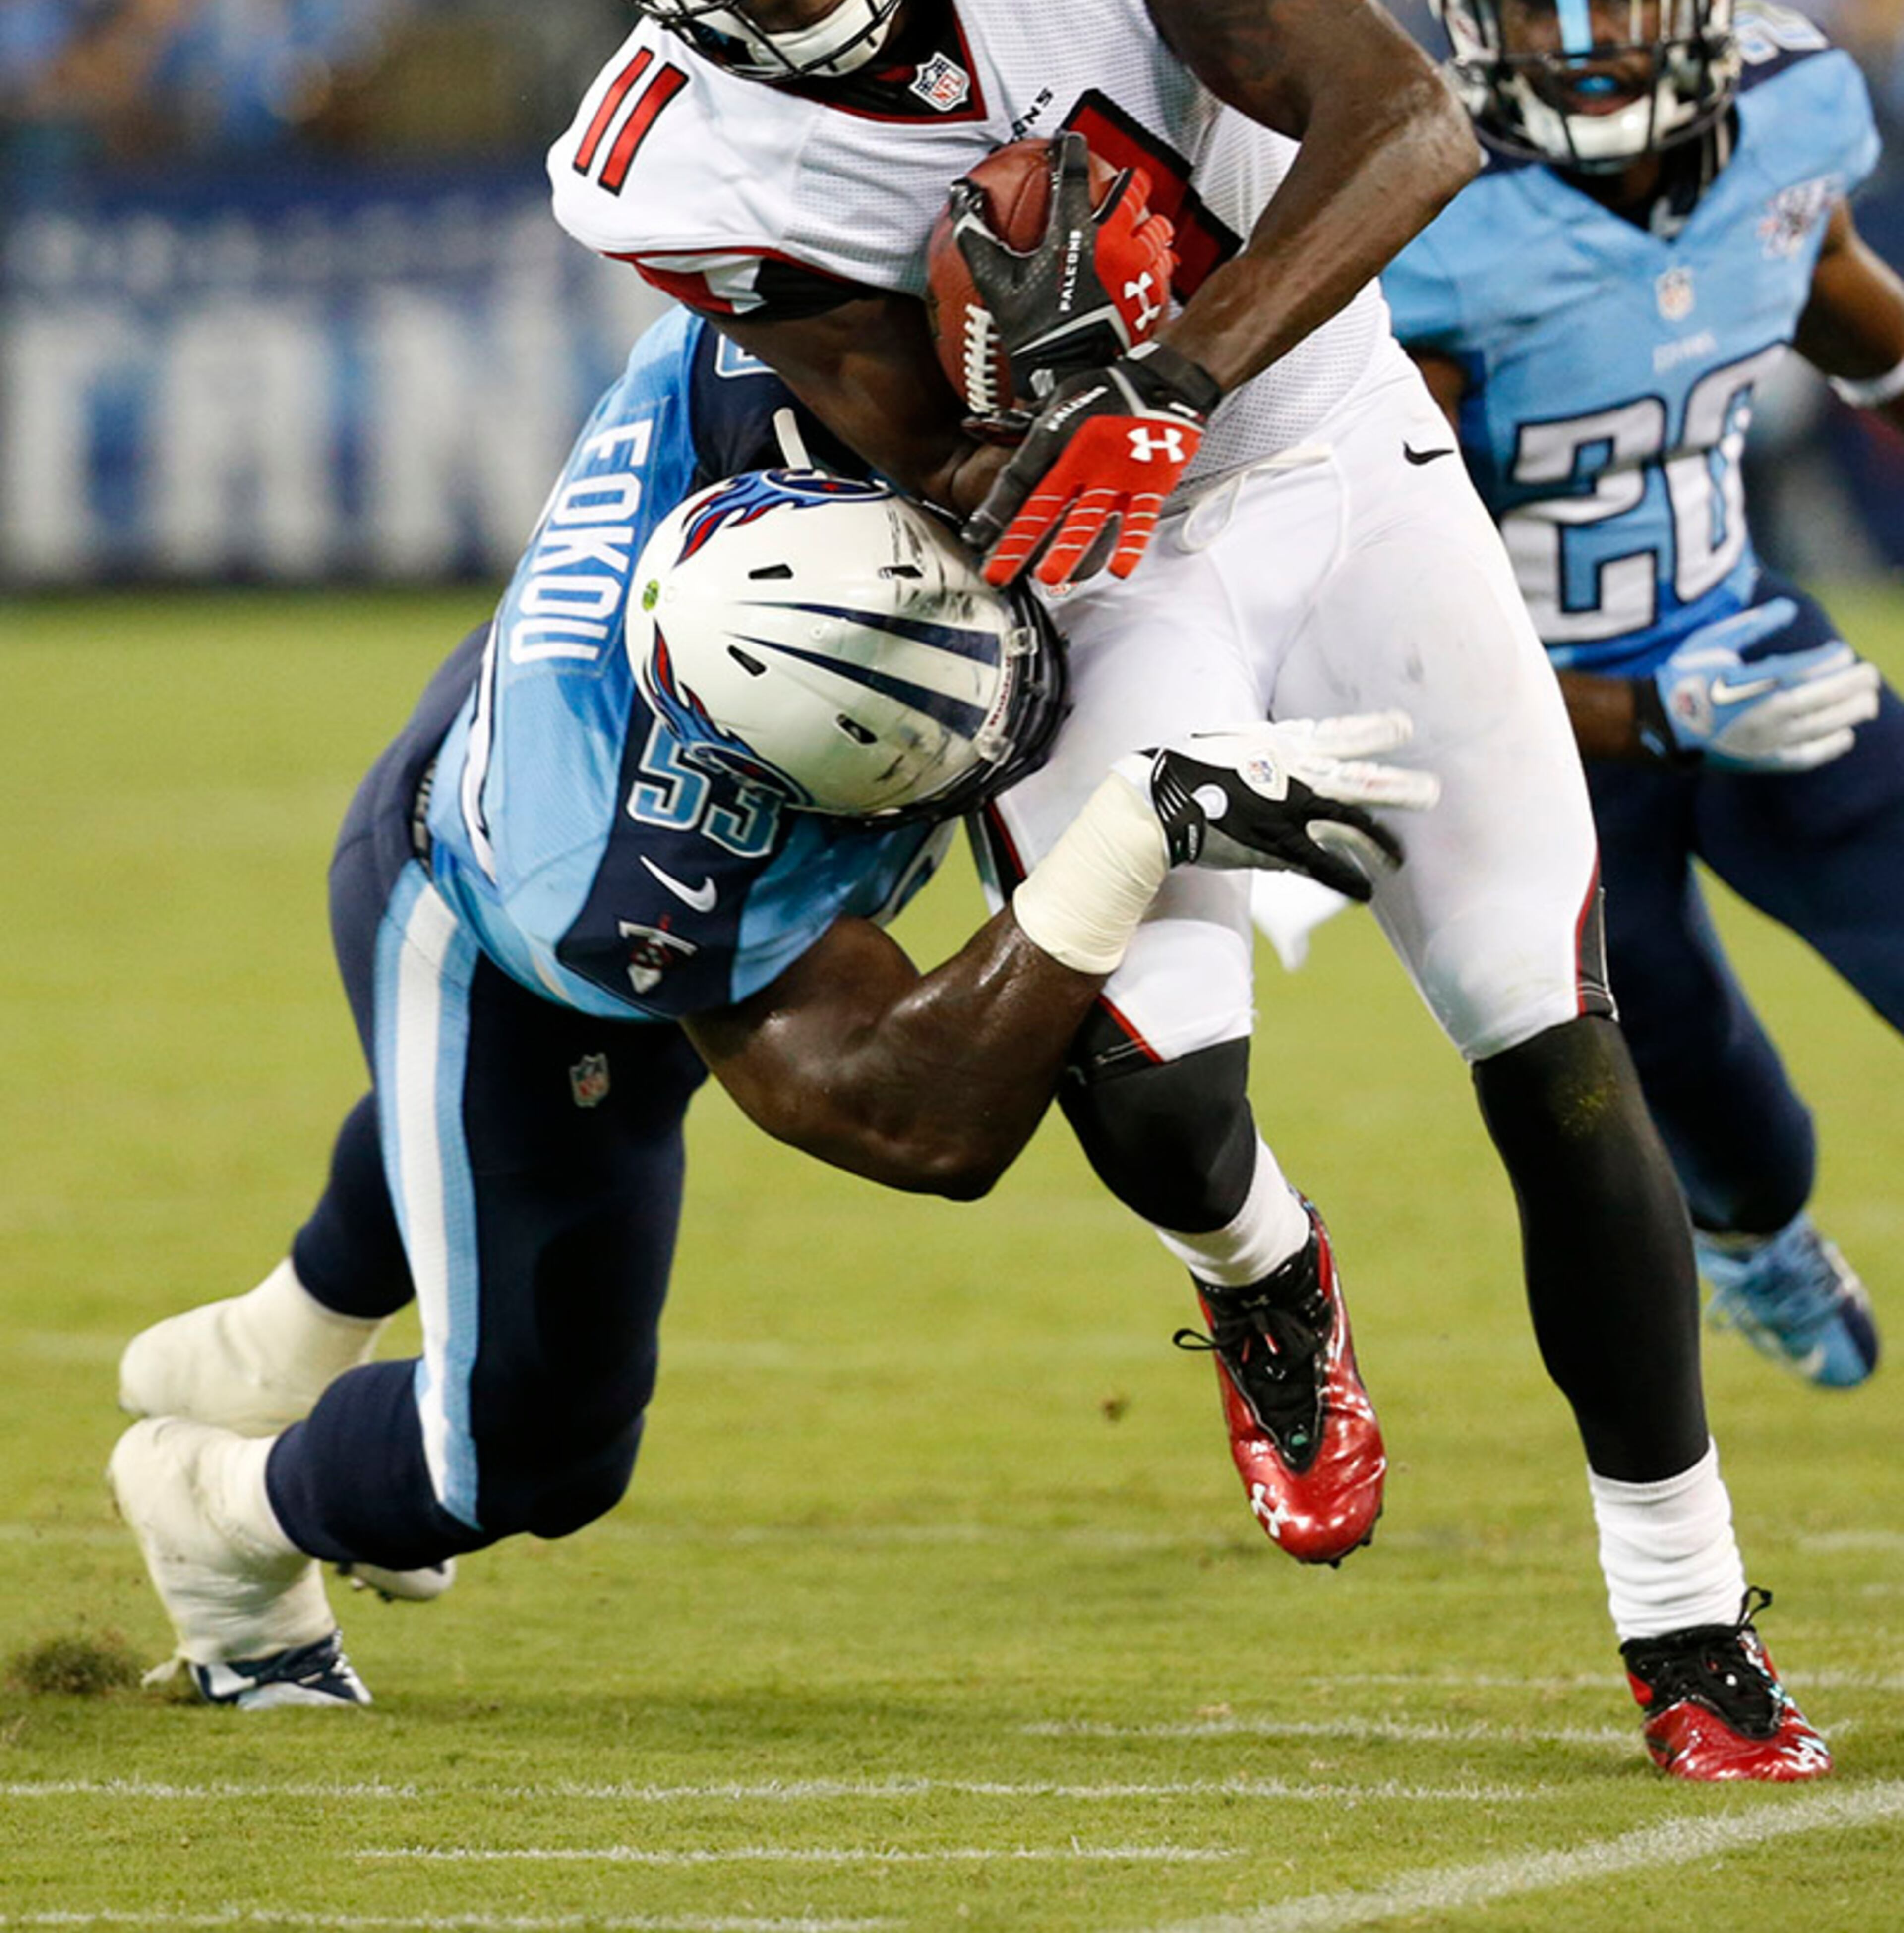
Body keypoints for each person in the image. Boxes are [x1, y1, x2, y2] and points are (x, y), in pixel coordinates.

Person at [532, 0, 1831, 1777]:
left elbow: (1400, 117)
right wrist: (1027, 428)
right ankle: (1261, 1265)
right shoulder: (666, 157)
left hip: (1325, 428)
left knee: (1547, 1028)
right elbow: (897, 442)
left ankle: (1688, 1623)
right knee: (1143, 1097)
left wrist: (1185, 365)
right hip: (1098, 545)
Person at [109, 307, 1430, 1711]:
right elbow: (916, 1121)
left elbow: (818, 274)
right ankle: (217, 1517)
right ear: (782, 793)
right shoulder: (634, 882)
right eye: (930, 742)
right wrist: (1129, 833)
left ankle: (273, 1343)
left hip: (583, 715)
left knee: (485, 1167)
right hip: (481, 918)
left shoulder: (781, 387)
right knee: (532, 1447)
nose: (1012, 707)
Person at [1367, 0, 1904, 1392]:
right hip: (1531, 747)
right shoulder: (1424, 223)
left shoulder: (1795, 111)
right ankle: (1755, 1242)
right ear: (1470, 21)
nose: (1598, 39)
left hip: (1745, 641)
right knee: (1730, 1122)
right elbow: (1388, 627)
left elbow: (1838, 300)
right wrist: (1650, 711)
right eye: (1548, 2)